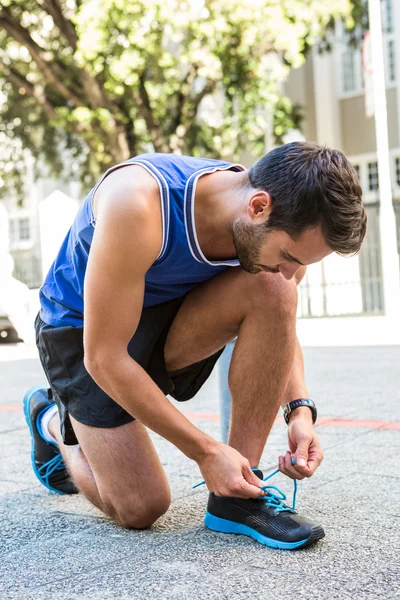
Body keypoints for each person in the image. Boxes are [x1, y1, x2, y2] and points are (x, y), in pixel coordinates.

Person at [24, 142, 366, 550]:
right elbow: (105, 357)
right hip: (82, 334)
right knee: (141, 507)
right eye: (290, 256)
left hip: (165, 316)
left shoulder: (272, 229)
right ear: (258, 207)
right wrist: (205, 452)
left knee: (275, 290)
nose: (293, 271)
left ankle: (235, 499)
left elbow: (280, 318)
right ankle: (51, 420)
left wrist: (300, 411)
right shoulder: (138, 203)